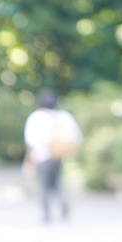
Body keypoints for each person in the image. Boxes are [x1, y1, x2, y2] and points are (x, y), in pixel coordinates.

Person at [24, 89, 82, 221]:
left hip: (42, 156)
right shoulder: (64, 116)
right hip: (59, 156)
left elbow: (30, 140)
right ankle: (62, 200)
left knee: (44, 186)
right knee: (55, 183)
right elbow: (76, 137)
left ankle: (46, 214)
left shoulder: (36, 117)